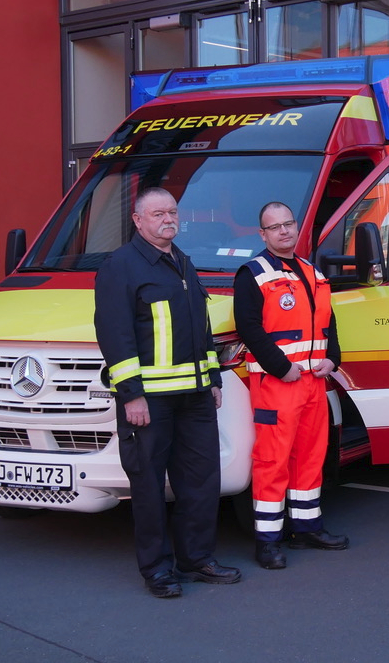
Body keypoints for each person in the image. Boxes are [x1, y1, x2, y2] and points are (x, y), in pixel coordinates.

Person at [94, 187, 242, 598]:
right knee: (147, 486)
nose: (167, 219)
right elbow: (115, 335)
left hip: (195, 398)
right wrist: (131, 395)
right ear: (138, 221)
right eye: (157, 213)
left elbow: (202, 330)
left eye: (172, 212)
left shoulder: (183, 262)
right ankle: (157, 570)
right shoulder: (120, 266)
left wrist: (212, 379)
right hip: (149, 403)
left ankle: (197, 560)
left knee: (200, 482)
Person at [234, 201, 349, 570]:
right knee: (272, 460)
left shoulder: (312, 272)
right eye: (275, 227)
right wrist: (281, 368)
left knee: (310, 456)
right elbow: (249, 327)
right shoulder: (253, 273)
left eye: (289, 224)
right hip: (277, 384)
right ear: (263, 234)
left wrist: (335, 357)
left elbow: (328, 323)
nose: (284, 231)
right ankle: (267, 539)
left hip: (314, 382)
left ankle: (307, 526)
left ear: (297, 227)